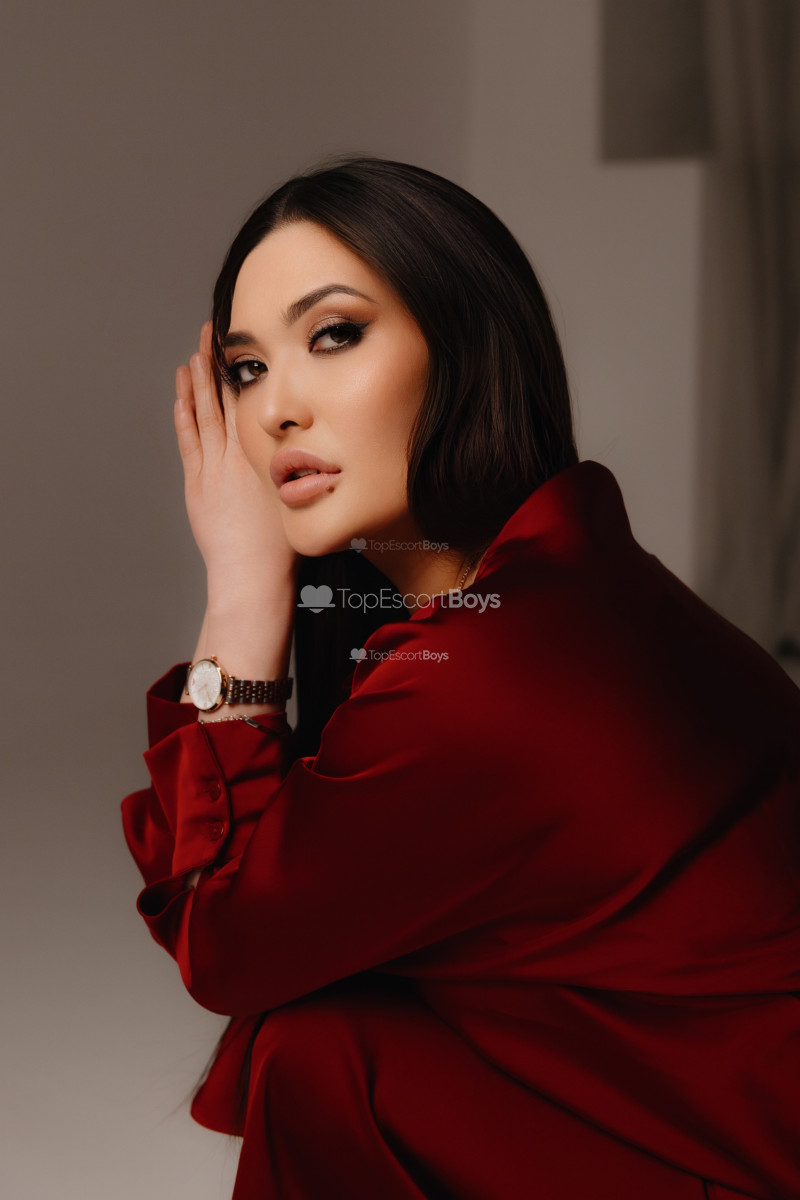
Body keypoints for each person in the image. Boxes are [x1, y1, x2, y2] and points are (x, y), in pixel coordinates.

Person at [121, 155, 800, 1200]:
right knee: (331, 1049)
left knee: (318, 1054)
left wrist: (244, 600)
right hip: (708, 1110)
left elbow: (228, 946)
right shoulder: (565, 582)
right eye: (246, 368)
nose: (275, 411)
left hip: (745, 1156)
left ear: (464, 347)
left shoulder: (488, 672)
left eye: (333, 335)